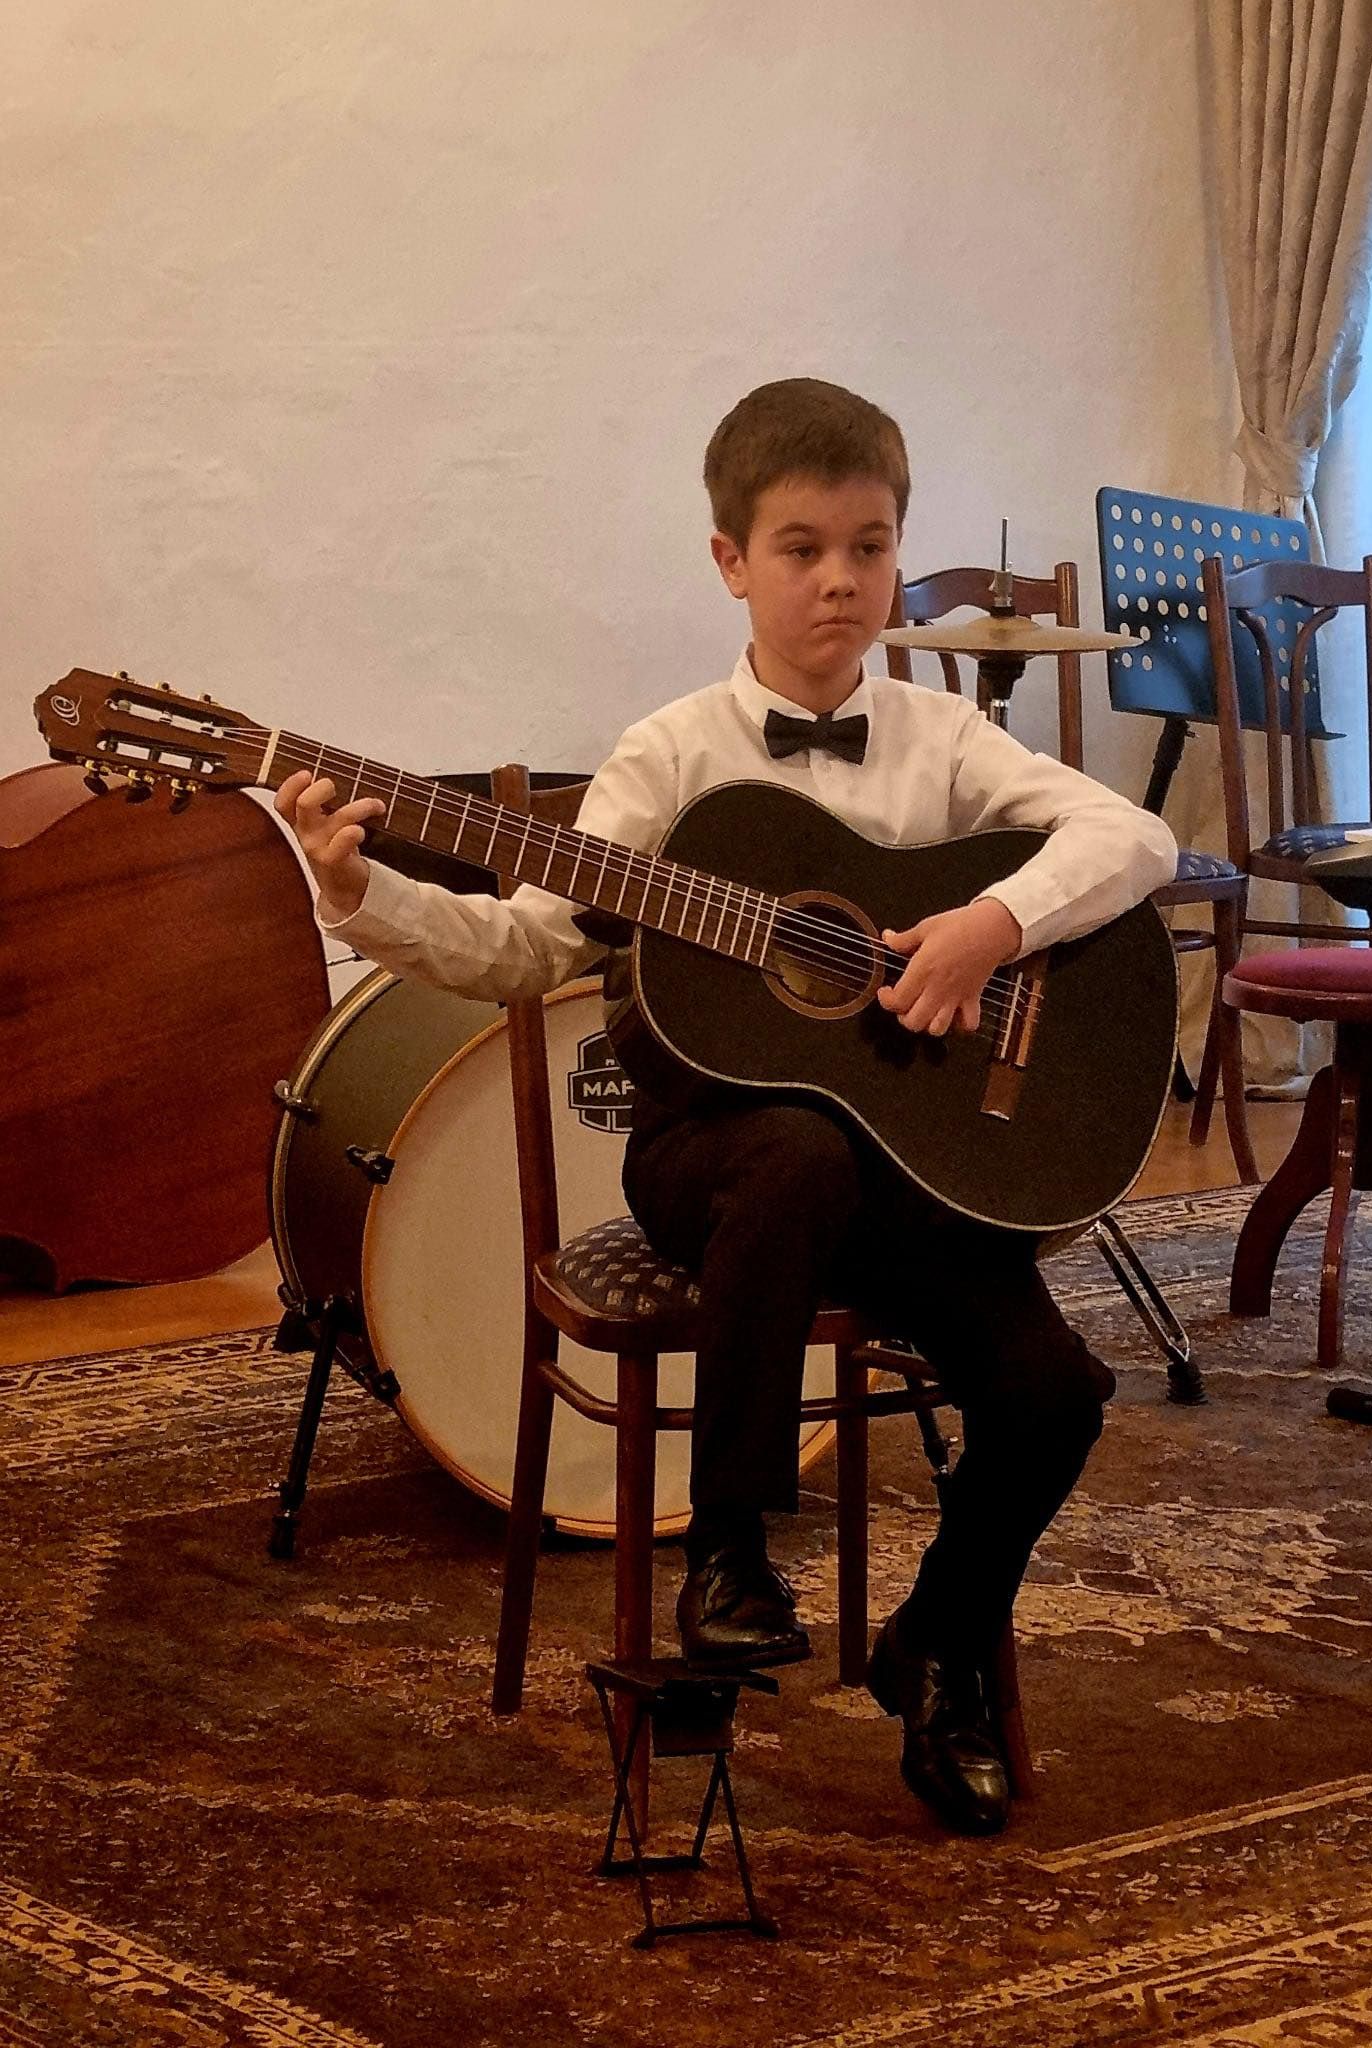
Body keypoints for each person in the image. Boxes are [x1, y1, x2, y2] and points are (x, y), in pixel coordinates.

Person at [277, 378, 1177, 1834]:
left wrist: (990, 926)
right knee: (795, 1153)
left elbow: (1133, 838)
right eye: (801, 548)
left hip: (911, 1180)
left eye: (869, 548)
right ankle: (733, 1546)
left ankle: (937, 1643)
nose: (839, 581)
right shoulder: (671, 759)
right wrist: (358, 890)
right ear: (730, 562)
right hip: (708, 1160)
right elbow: (526, 951)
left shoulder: (945, 742)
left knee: (1053, 1393)